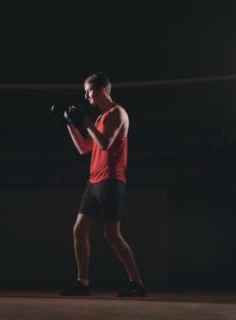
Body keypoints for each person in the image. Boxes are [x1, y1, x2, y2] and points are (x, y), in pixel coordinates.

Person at [59, 72, 146, 297]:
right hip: (95, 181)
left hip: (111, 180)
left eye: (88, 91)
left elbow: (105, 143)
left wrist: (86, 122)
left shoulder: (118, 113)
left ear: (100, 90)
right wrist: (70, 124)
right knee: (79, 230)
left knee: (111, 235)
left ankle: (137, 283)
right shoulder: (99, 118)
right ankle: (83, 282)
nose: (86, 96)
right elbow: (84, 148)